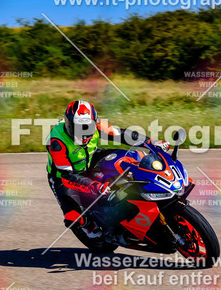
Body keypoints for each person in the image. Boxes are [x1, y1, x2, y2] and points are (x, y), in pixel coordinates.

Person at [46, 100, 169, 238]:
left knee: (130, 157)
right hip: (64, 178)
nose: (84, 134)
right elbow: (67, 175)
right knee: (73, 218)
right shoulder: (56, 142)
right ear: (69, 125)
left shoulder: (97, 124)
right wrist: (95, 186)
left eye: (88, 128)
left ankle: (149, 187)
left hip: (91, 158)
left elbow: (122, 135)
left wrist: (152, 142)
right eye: (79, 128)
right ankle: (88, 225)